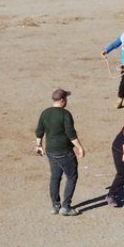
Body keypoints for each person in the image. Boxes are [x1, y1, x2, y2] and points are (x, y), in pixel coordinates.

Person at [35, 88, 86, 216]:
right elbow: (71, 134)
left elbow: (39, 131)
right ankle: (66, 207)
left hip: (51, 150)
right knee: (72, 177)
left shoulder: (45, 113)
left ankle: (55, 205)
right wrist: (80, 148)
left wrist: (38, 145)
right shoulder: (65, 114)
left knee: (55, 176)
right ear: (62, 100)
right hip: (64, 151)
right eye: (66, 99)